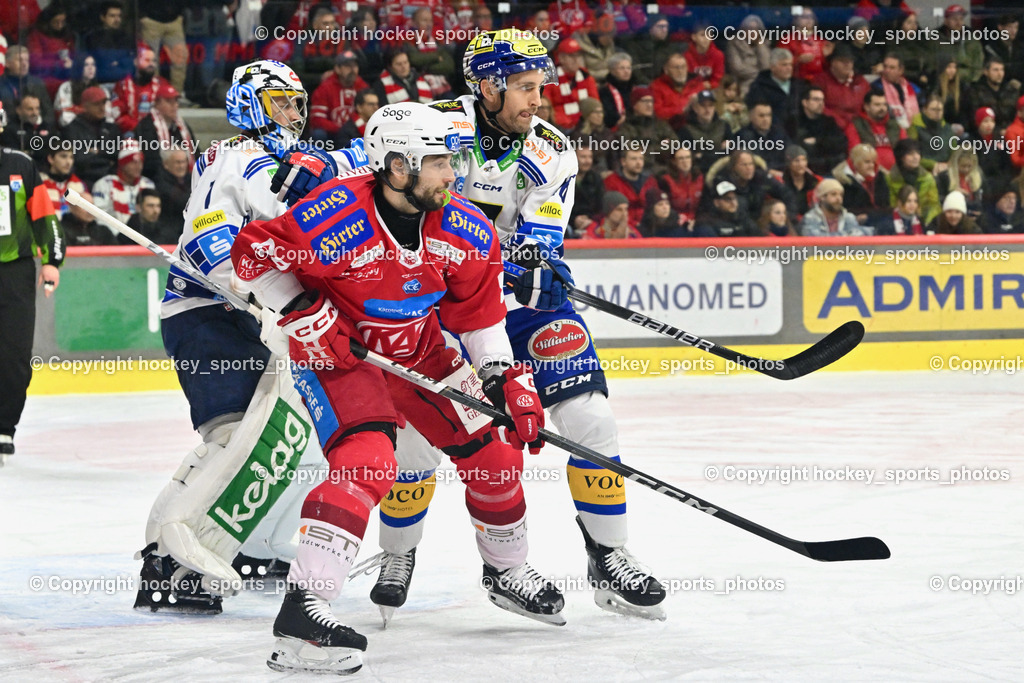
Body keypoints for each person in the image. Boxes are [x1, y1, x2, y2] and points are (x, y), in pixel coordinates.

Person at [231, 103, 561, 673]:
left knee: (496, 450)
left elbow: (479, 315)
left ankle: (506, 571)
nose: (453, 173)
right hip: (338, 354)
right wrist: (300, 307)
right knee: (368, 462)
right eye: (439, 163)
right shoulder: (332, 216)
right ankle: (303, 612)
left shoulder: (465, 228)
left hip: (418, 347)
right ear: (397, 165)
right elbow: (251, 257)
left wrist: (502, 377)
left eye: (453, 160)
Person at [366, 29, 668, 625]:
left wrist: (540, 265)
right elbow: (385, 189)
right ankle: (398, 554)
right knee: (420, 441)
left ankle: (609, 555)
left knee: (591, 418)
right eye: (525, 87)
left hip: (517, 303)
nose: (537, 99)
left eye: (539, 86)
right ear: (487, 87)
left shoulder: (552, 148)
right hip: (439, 302)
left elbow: (541, 234)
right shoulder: (433, 128)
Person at [133, 60, 367, 617]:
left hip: (263, 320)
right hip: (209, 312)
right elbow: (209, 243)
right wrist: (260, 292)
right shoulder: (231, 158)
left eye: (297, 103)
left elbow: (359, 162)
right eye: (280, 102)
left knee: (297, 441)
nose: (293, 113)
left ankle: (254, 545)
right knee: (236, 439)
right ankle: (167, 563)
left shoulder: (297, 165)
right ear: (249, 106)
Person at [0, 104, 64, 464]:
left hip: (15, 272)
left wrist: (52, 260)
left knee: (14, 355)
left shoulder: (21, 166)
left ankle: (4, 427)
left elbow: (45, 217)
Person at [133, 83, 196, 180]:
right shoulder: (146, 126)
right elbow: (150, 161)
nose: (174, 105)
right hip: (157, 178)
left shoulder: (182, 127)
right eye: (169, 102)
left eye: (176, 101)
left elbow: (195, 152)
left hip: (185, 178)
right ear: (157, 104)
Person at [92, 142, 156, 230]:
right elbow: (99, 217)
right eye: (133, 162)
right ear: (122, 164)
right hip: (113, 235)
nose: (138, 167)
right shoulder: (105, 184)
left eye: (140, 162)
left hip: (143, 235)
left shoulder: (148, 184)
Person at [800, 178, 871, 236]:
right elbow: (814, 238)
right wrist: (845, 236)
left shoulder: (849, 217)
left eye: (841, 195)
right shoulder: (810, 218)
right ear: (822, 197)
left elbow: (857, 236)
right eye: (834, 194)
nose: (839, 198)